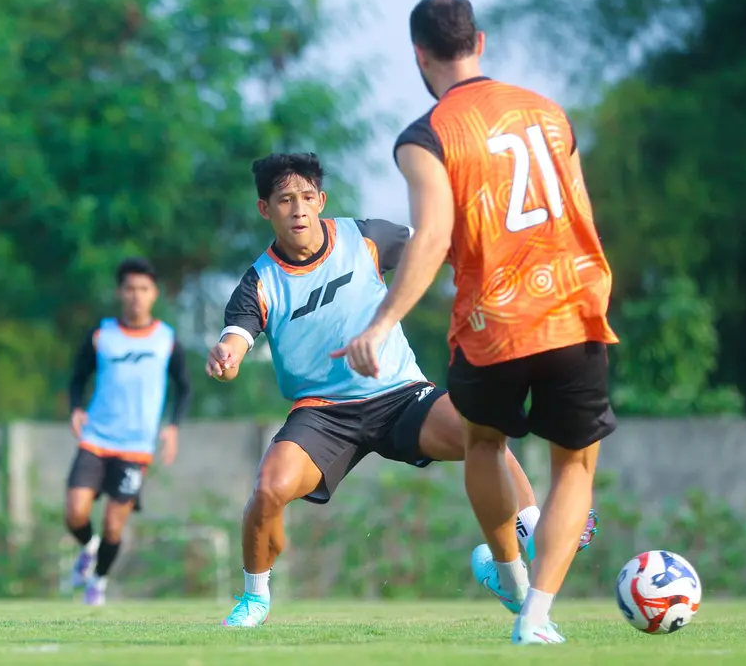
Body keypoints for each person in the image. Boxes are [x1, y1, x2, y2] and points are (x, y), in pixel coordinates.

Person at [206, 152, 597, 628]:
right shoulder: (259, 282)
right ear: (265, 209)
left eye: (307, 197)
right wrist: (226, 358)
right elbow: (236, 342)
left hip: (400, 394)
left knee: (482, 428)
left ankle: (528, 536)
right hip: (324, 414)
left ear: (322, 200)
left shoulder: (366, 236)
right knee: (269, 490)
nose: (299, 210)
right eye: (285, 200)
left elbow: (436, 247)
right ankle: (254, 599)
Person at [338, 0, 619, 645]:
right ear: (479, 42)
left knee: (484, 444)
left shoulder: (426, 134)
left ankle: (510, 576)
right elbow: (580, 212)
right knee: (572, 469)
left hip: (491, 323)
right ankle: (537, 616)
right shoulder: (549, 113)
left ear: (418, 53)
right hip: (572, 313)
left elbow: (432, 238)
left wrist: (381, 324)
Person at [65, 257, 192, 606]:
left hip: (136, 447)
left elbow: (184, 386)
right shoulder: (102, 334)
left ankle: (98, 583)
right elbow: (77, 377)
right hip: (96, 438)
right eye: (130, 289)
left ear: (154, 294)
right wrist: (76, 407)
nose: (136, 296)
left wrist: (173, 427)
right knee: (75, 512)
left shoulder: (166, 340)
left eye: (144, 289)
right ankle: (88, 549)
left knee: (113, 526)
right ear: (120, 292)